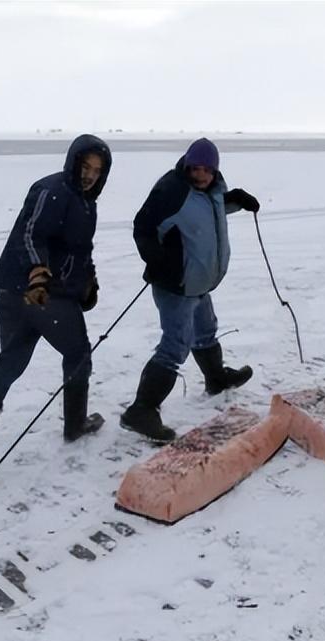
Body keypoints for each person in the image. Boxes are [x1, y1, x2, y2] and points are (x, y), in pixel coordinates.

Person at [0, 134, 112, 478]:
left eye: (97, 170)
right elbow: (31, 234)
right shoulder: (53, 190)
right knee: (78, 354)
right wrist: (38, 277)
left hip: (21, 291)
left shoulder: (85, 201)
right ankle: (75, 424)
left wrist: (88, 281)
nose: (90, 175)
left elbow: (78, 250)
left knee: (11, 362)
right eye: (85, 167)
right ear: (73, 162)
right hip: (39, 294)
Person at [120, 138, 260, 442]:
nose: (200, 175)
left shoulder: (212, 190)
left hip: (198, 282)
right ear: (186, 166)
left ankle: (215, 378)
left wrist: (235, 200)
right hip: (176, 284)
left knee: (206, 328)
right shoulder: (173, 191)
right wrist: (157, 259)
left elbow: (209, 209)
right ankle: (142, 410)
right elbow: (143, 227)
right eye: (195, 169)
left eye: (207, 170)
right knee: (175, 346)